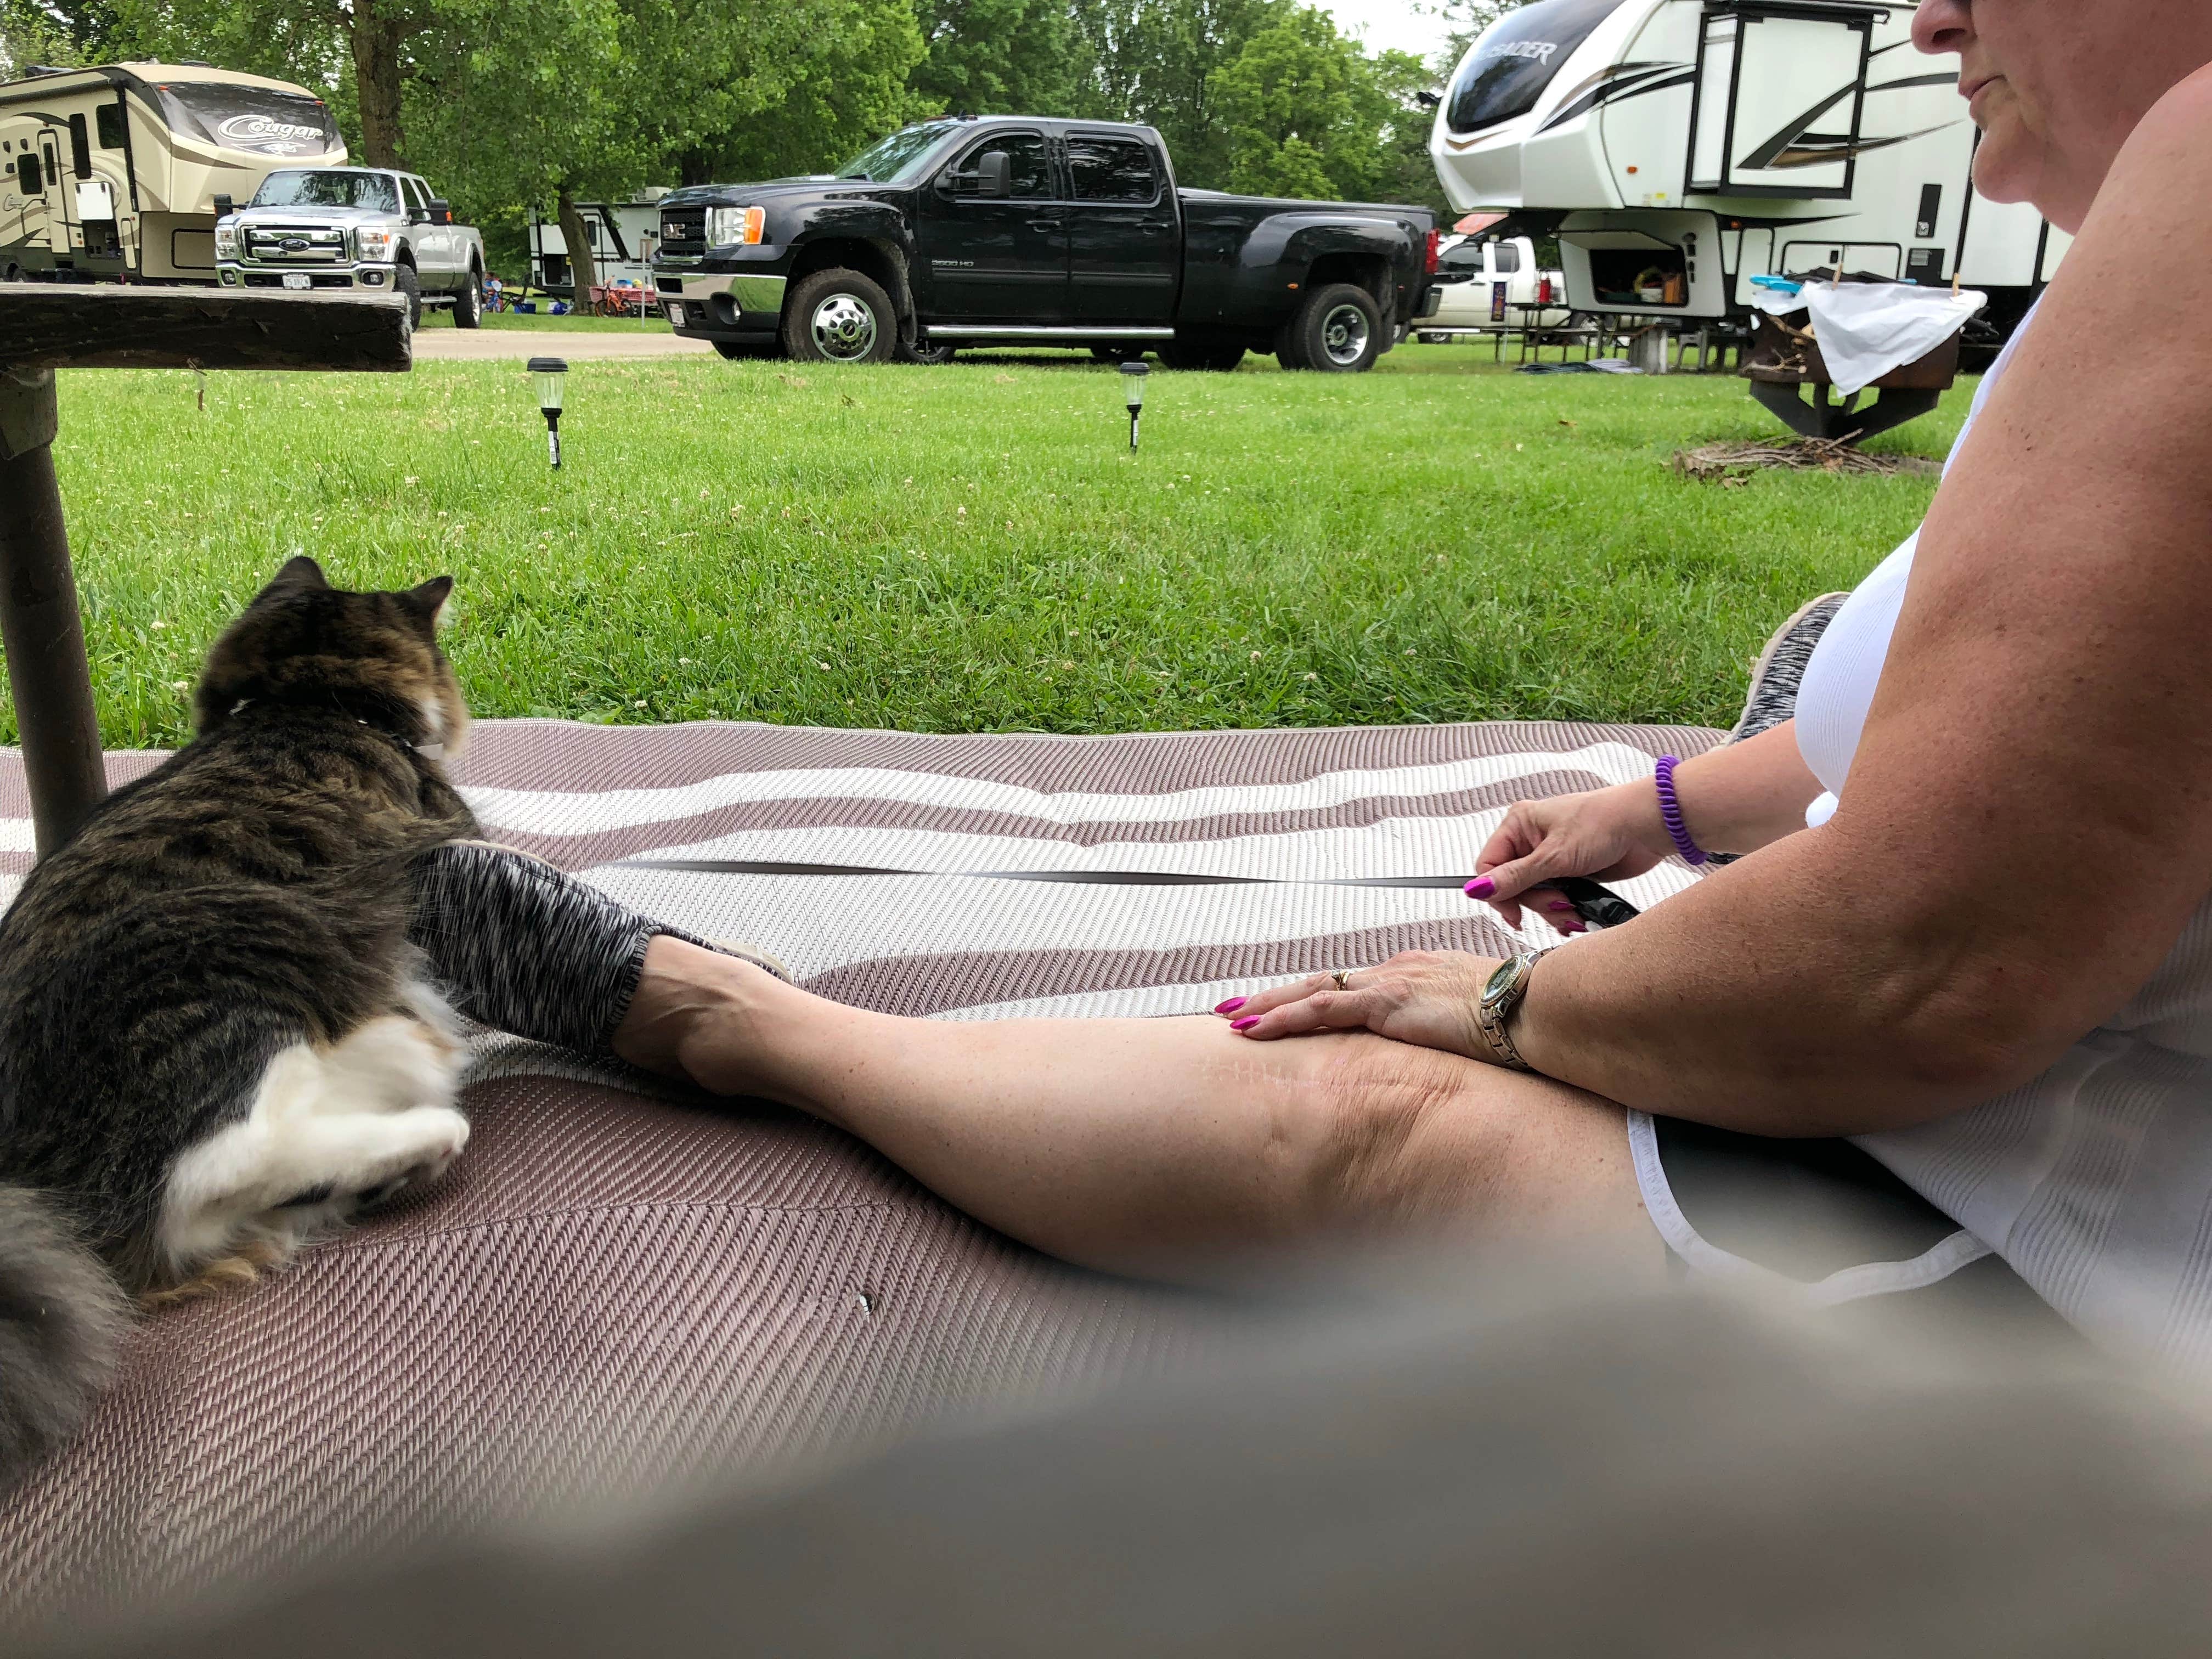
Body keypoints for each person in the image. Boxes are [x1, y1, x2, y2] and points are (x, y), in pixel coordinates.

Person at [454, 1, 2212, 1363]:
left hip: (2089, 1254)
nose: (1925, 23)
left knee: (1363, 1109)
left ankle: (738, 1021)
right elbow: (2059, 736)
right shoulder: (2134, 248)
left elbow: (1921, 969)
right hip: (2056, 1072)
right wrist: (1664, 806)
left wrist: (1508, 1009)